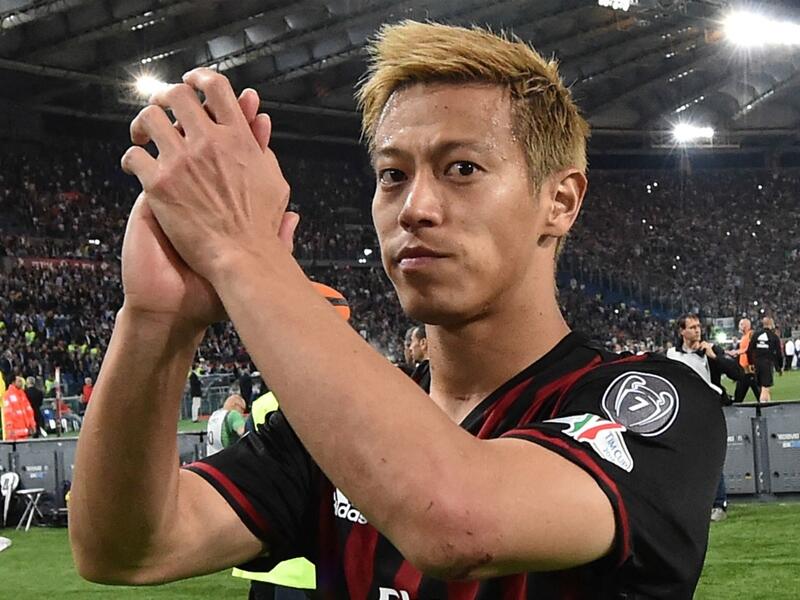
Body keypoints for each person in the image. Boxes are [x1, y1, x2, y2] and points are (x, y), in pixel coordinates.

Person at [71, 21, 726, 598]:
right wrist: (156, 321)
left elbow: (460, 523)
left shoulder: (651, 403)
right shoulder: (336, 426)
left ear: (560, 201)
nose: (414, 208)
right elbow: (126, 549)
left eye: (461, 168)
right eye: (393, 175)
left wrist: (241, 251)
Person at [666, 314, 741, 522]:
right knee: (685, 459)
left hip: (708, 412)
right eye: (692, 327)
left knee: (710, 457)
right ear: (682, 331)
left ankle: (719, 504)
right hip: (683, 413)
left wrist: (715, 357)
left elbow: (737, 373)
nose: (697, 330)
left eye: (698, 326)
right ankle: (692, 503)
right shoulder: (672, 354)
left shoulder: (710, 350)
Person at [748, 317, 782, 403]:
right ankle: (763, 405)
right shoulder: (774, 337)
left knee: (763, 387)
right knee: (765, 387)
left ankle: (768, 404)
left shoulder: (756, 335)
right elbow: (778, 353)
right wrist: (779, 367)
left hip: (757, 363)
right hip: (767, 364)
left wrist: (751, 363)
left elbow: (749, 350)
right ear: (771, 324)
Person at [729, 318, 760, 403]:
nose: (739, 326)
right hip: (743, 371)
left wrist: (737, 352)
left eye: (741, 324)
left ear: (746, 326)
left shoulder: (751, 335)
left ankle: (765, 409)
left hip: (751, 371)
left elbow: (749, 348)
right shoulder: (743, 337)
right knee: (738, 398)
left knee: (760, 396)